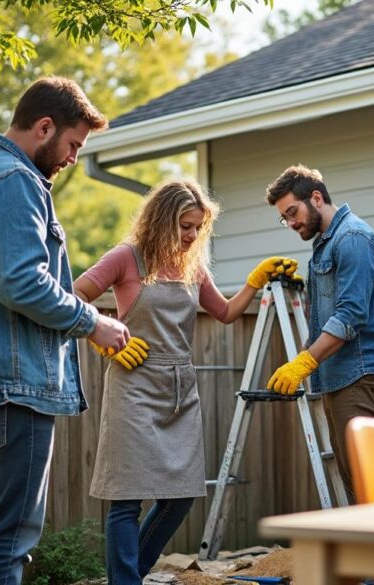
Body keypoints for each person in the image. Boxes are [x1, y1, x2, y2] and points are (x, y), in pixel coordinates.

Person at [0, 77, 132, 584]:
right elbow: (21, 282)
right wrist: (92, 322)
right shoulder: (15, 181)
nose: (70, 159)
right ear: (44, 127)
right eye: (71, 145)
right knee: (9, 539)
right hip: (10, 388)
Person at [75, 179, 297, 584]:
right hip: (134, 384)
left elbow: (226, 313)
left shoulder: (194, 266)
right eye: (185, 226)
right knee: (126, 499)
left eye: (198, 227)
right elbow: (74, 296)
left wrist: (254, 280)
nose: (192, 235)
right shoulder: (128, 258)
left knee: (180, 496)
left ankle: (130, 574)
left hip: (180, 388)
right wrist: (102, 339)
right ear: (161, 220)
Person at [265, 165, 374, 502]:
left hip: (358, 374)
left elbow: (350, 316)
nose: (290, 223)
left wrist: (303, 362)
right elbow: (326, 316)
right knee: (357, 484)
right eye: (284, 218)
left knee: (369, 484)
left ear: (317, 197)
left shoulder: (352, 238)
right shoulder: (325, 244)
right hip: (339, 376)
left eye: (292, 212)